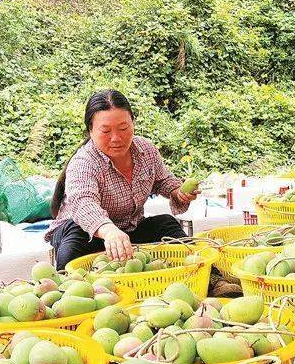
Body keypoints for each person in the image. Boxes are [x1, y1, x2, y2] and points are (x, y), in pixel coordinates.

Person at [46, 90, 197, 269]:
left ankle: (209, 277)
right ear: (90, 130)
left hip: (127, 231)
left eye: (124, 128)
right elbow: (84, 204)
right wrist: (109, 231)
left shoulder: (146, 150)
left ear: (133, 123)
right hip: (87, 234)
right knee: (75, 237)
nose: (116, 138)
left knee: (166, 224)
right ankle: (64, 289)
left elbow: (162, 180)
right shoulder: (84, 162)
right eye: (106, 131)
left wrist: (178, 193)